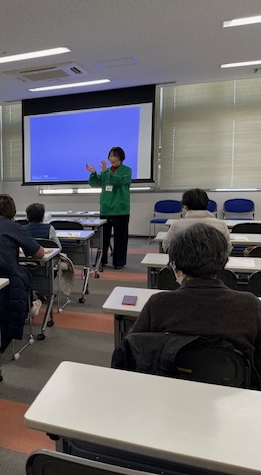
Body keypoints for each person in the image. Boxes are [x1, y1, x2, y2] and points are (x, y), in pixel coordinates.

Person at [131, 223, 261, 374]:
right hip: (232, 385)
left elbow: (134, 350)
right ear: (223, 261)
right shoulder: (249, 305)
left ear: (176, 266)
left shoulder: (158, 304)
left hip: (168, 384)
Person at [0, 194, 44, 318]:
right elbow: (38, 254)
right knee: (27, 274)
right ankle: (30, 305)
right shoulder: (13, 227)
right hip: (6, 274)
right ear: (12, 210)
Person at [85, 146, 131, 269]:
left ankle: (119, 262)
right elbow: (95, 183)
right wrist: (93, 173)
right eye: (110, 156)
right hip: (106, 209)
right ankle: (101, 260)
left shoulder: (126, 170)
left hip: (120, 210)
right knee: (103, 238)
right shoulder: (106, 171)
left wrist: (106, 172)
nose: (112, 159)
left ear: (121, 158)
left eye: (115, 156)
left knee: (120, 238)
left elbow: (118, 181)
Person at [162, 188, 231, 253]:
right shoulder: (220, 224)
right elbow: (227, 248)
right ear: (207, 204)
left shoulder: (177, 225)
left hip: (184, 261)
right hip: (214, 262)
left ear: (185, 207)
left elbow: (166, 247)